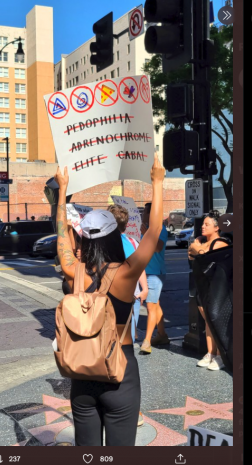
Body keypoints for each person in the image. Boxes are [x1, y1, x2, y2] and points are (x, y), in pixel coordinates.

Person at [54, 154, 165, 446]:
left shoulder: (72, 271)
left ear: (86, 240)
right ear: (114, 236)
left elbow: (61, 236)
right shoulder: (125, 275)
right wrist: (157, 182)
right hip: (120, 372)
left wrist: (63, 193)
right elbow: (153, 233)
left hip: (81, 373)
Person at [187, 211, 229, 370]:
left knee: (216, 321)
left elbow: (205, 256)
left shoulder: (221, 243)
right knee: (207, 322)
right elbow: (191, 254)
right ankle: (210, 352)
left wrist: (197, 248)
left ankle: (221, 355)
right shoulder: (201, 242)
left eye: (207, 224)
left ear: (217, 227)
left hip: (216, 288)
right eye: (203, 224)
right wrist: (197, 248)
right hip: (201, 286)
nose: (202, 227)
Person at [107, 204, 149, 343]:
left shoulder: (103, 244)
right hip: (132, 295)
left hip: (112, 296)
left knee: (111, 339)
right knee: (127, 340)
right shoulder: (132, 242)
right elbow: (140, 267)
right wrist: (145, 289)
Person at [139, 201, 169, 354]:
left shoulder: (160, 229)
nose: (143, 214)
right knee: (155, 305)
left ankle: (147, 341)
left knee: (150, 307)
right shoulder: (143, 229)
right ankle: (162, 335)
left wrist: (146, 233)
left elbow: (157, 247)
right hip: (144, 273)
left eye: (145, 212)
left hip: (154, 274)